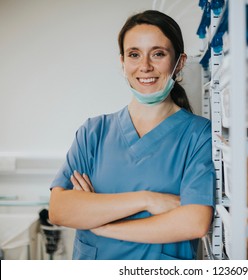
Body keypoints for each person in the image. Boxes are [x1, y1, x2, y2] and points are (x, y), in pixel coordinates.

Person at [48, 10, 215, 260]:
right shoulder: (94, 132)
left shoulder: (199, 134)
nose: (145, 66)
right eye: (134, 54)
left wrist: (103, 224)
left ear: (179, 62)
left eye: (158, 54)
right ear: (123, 63)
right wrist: (147, 200)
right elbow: (60, 210)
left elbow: (193, 222)